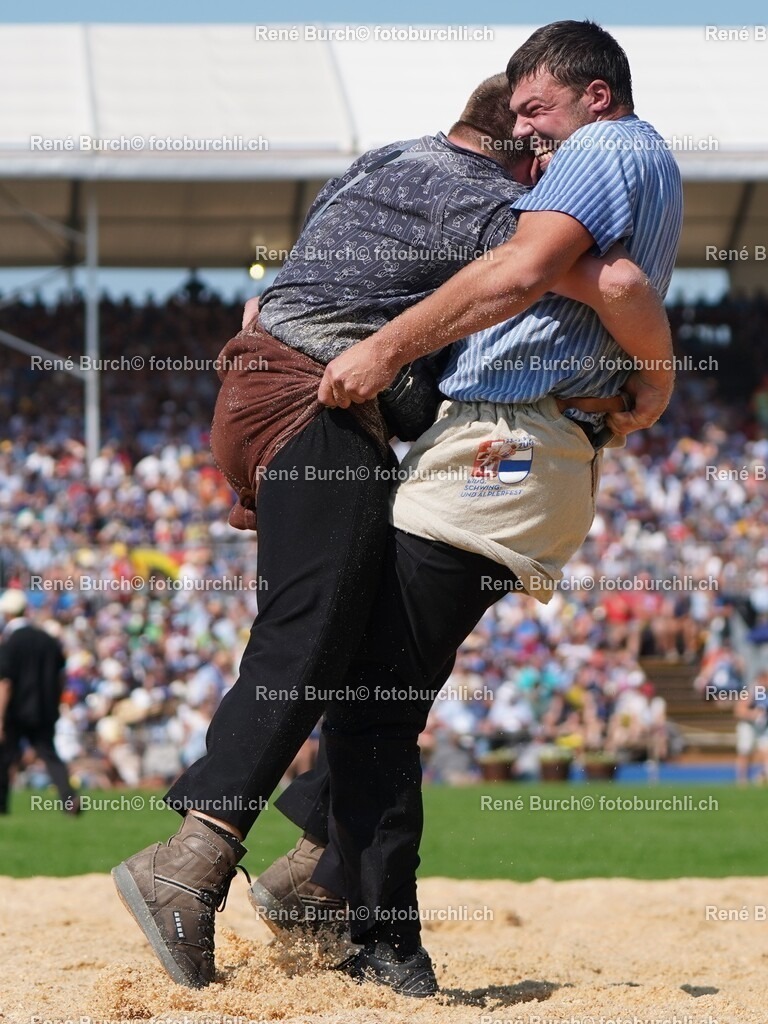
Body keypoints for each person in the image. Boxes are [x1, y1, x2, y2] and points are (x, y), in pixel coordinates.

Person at [112, 60, 675, 997]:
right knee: (314, 639)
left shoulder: (387, 160)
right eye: (538, 142)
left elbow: (267, 293)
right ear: (523, 156)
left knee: (361, 645)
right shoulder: (492, 204)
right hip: (320, 407)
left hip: (258, 392)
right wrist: (653, 377)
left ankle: (320, 867)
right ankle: (193, 857)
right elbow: (594, 274)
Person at [0, 589, 79, 816]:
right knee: (49, 754)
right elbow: (61, 676)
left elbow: (5, 682)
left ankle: (2, 805)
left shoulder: (10, 643)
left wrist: (0, 717)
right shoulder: (48, 640)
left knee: (5, 758)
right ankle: (69, 799)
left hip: (16, 712)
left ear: (7, 614)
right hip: (44, 710)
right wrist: (55, 702)